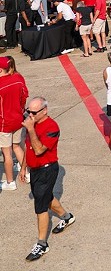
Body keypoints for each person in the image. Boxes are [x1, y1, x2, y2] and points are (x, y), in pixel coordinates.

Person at [20, 96, 75, 262]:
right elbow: (28, 147)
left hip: (47, 170)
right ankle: (67, 217)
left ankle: (42, 244)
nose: (29, 115)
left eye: (33, 112)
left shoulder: (52, 127)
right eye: (28, 111)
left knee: (41, 207)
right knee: (47, 197)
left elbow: (38, 150)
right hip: (35, 170)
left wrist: (30, 129)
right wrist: (23, 167)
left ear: (44, 111)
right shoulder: (33, 123)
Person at [0, 56, 28, 191]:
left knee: (6, 153)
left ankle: (10, 182)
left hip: (4, 123)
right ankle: (26, 173)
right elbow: (24, 96)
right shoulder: (17, 79)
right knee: (17, 147)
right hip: (17, 119)